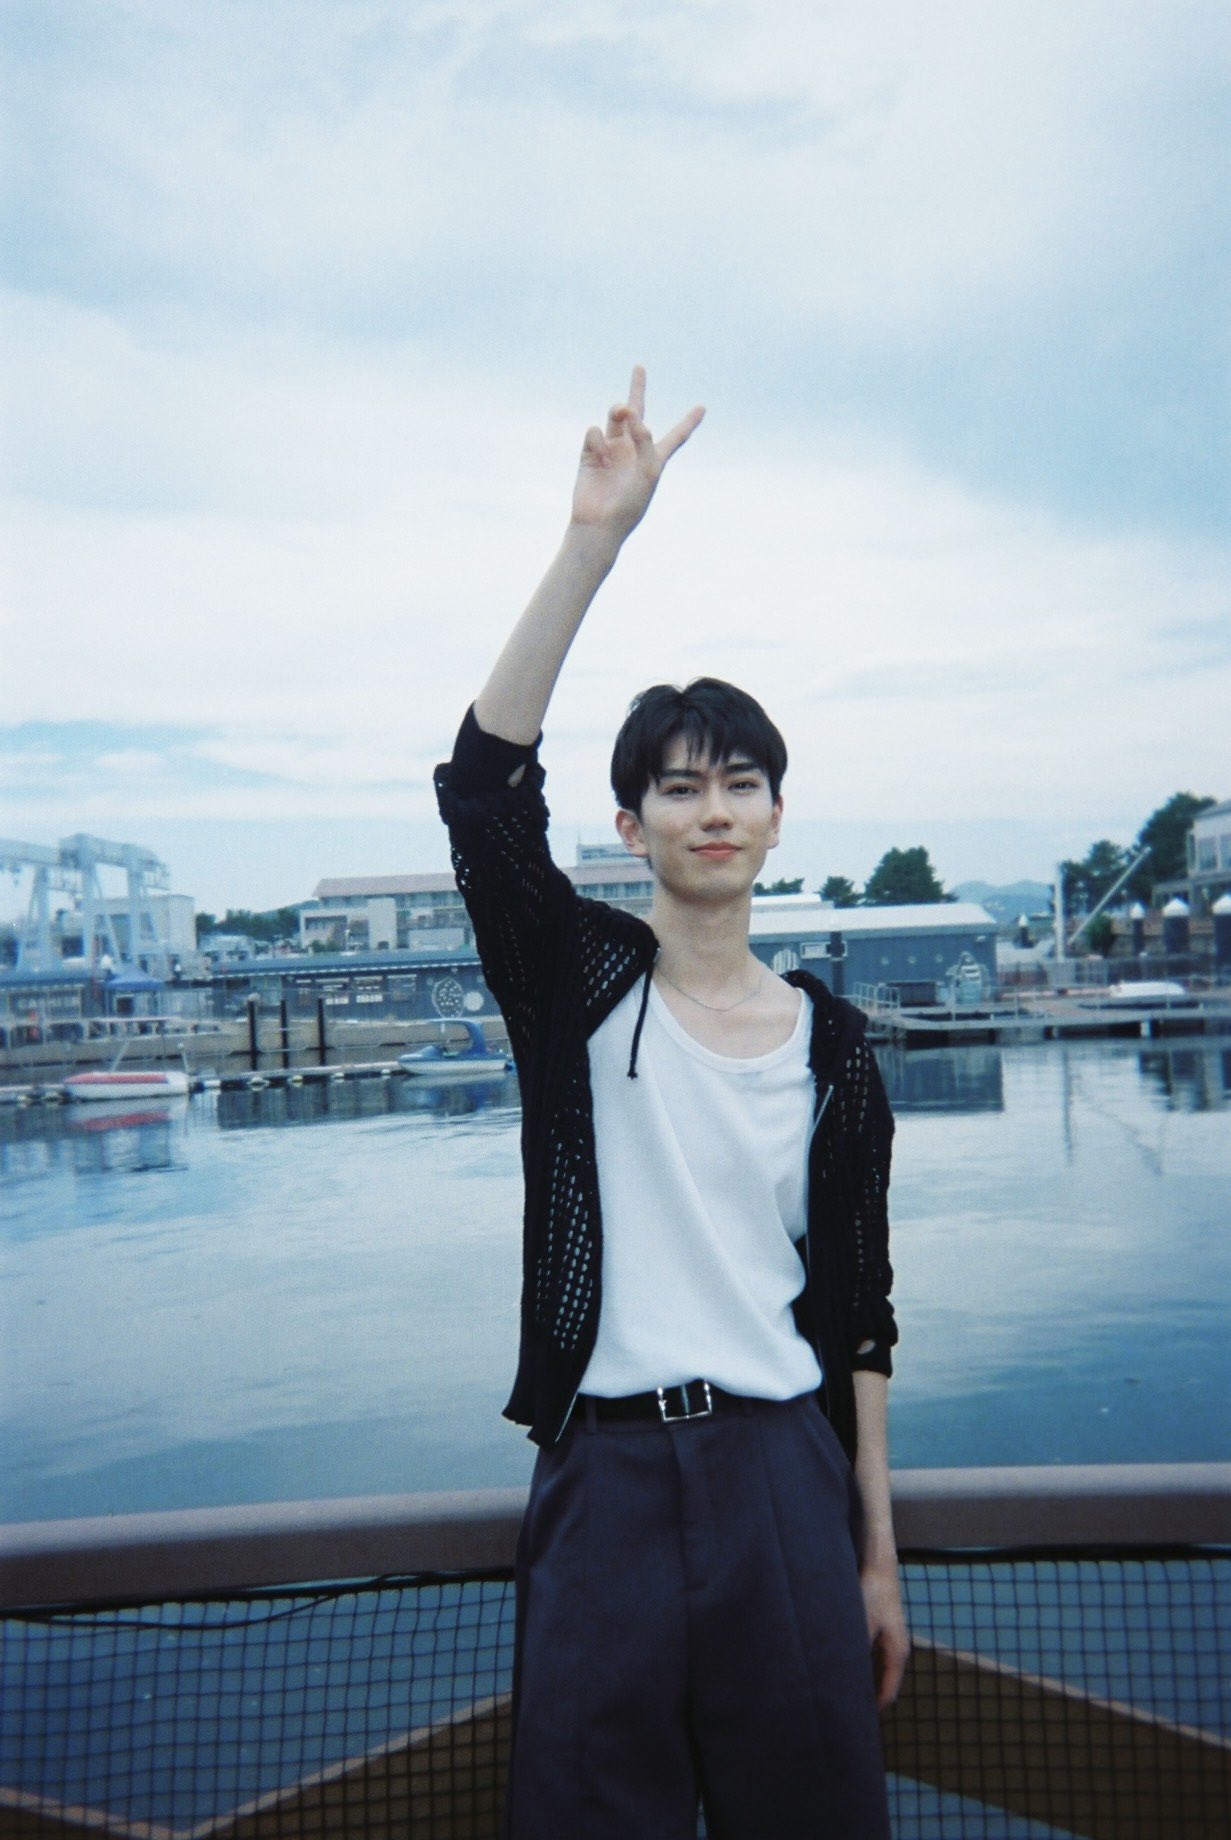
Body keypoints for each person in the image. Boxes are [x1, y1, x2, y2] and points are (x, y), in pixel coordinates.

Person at [434, 368, 908, 1839]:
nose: (714, 810)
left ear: (776, 817)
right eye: (682, 790)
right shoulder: (576, 985)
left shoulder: (835, 1048)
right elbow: (481, 793)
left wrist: (876, 1551)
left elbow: (862, 1315)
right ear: (631, 826)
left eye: (741, 785)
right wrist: (596, 542)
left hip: (784, 1472)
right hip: (605, 1474)